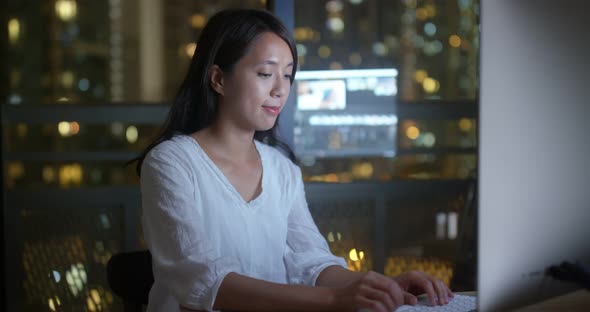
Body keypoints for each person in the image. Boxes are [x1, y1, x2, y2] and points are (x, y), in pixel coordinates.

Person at [136, 9, 453, 312]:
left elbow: (312, 262)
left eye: (287, 76)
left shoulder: (282, 169)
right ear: (218, 79)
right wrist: (334, 301)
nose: (280, 90)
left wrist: (384, 287)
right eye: (265, 73)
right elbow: (203, 281)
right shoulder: (171, 163)